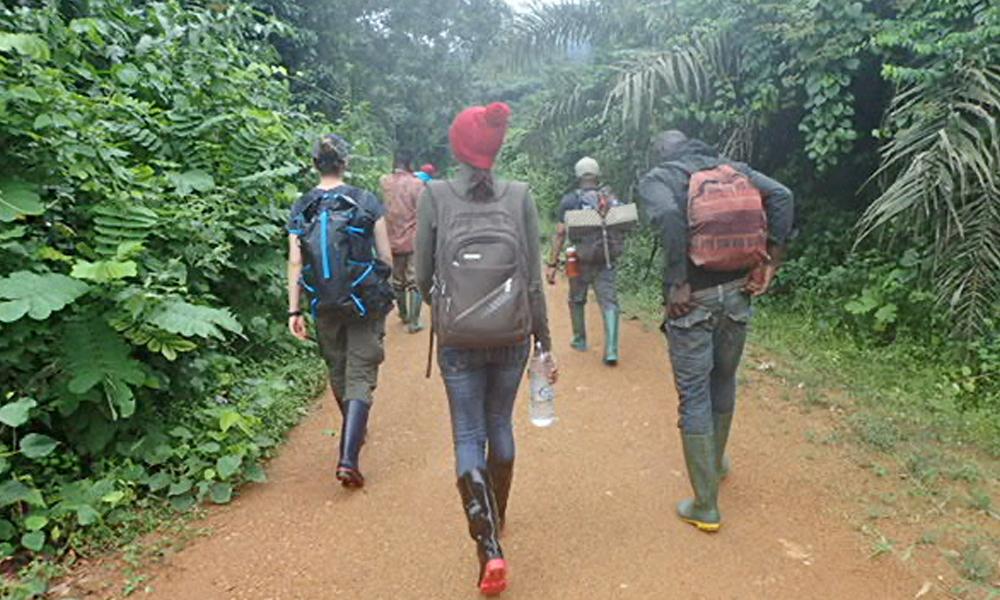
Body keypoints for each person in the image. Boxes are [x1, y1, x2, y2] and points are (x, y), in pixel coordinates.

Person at [416, 102, 556, 596]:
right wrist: (544, 342)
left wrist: (453, 309)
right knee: (501, 424)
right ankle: (498, 515)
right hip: (513, 336)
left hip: (458, 339)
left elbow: (420, 276)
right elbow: (534, 281)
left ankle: (488, 547)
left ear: (458, 147)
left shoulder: (434, 195)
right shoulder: (519, 196)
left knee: (468, 435)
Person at [638, 130, 793, 532]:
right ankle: (716, 462)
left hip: (693, 303)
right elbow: (783, 197)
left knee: (693, 394)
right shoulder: (733, 170)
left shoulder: (659, 179)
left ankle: (705, 504)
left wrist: (676, 282)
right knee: (723, 377)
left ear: (661, 154)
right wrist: (770, 262)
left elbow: (670, 217)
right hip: (739, 296)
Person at [286, 134, 394, 489]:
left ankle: (352, 429)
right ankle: (348, 457)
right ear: (344, 162)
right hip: (363, 301)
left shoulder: (303, 206)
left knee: (338, 367)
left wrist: (294, 311)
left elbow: (295, 263)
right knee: (360, 372)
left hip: (323, 303)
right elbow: (386, 257)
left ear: (315, 163)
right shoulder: (365, 200)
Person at [546, 157, 631, 365]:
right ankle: (611, 350)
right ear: (597, 174)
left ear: (578, 175)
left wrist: (552, 263)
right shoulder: (610, 198)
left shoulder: (570, 201)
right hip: (606, 259)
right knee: (609, 302)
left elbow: (560, 233)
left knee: (576, 299)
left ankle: (580, 339)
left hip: (579, 259)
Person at [380, 151, 426, 333]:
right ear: (410, 165)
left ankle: (403, 314)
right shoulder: (417, 184)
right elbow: (423, 212)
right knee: (415, 281)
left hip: (390, 239)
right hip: (414, 239)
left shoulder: (384, 182)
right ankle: (414, 322)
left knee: (397, 280)